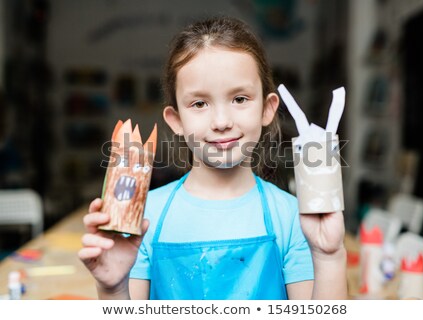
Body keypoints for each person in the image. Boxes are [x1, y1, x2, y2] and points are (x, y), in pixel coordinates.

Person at [78, 16, 347, 300]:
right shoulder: (143, 219)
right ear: (176, 120)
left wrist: (329, 257)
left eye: (240, 99)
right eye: (199, 103)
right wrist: (112, 288)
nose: (221, 121)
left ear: (267, 109)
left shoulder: (295, 218)